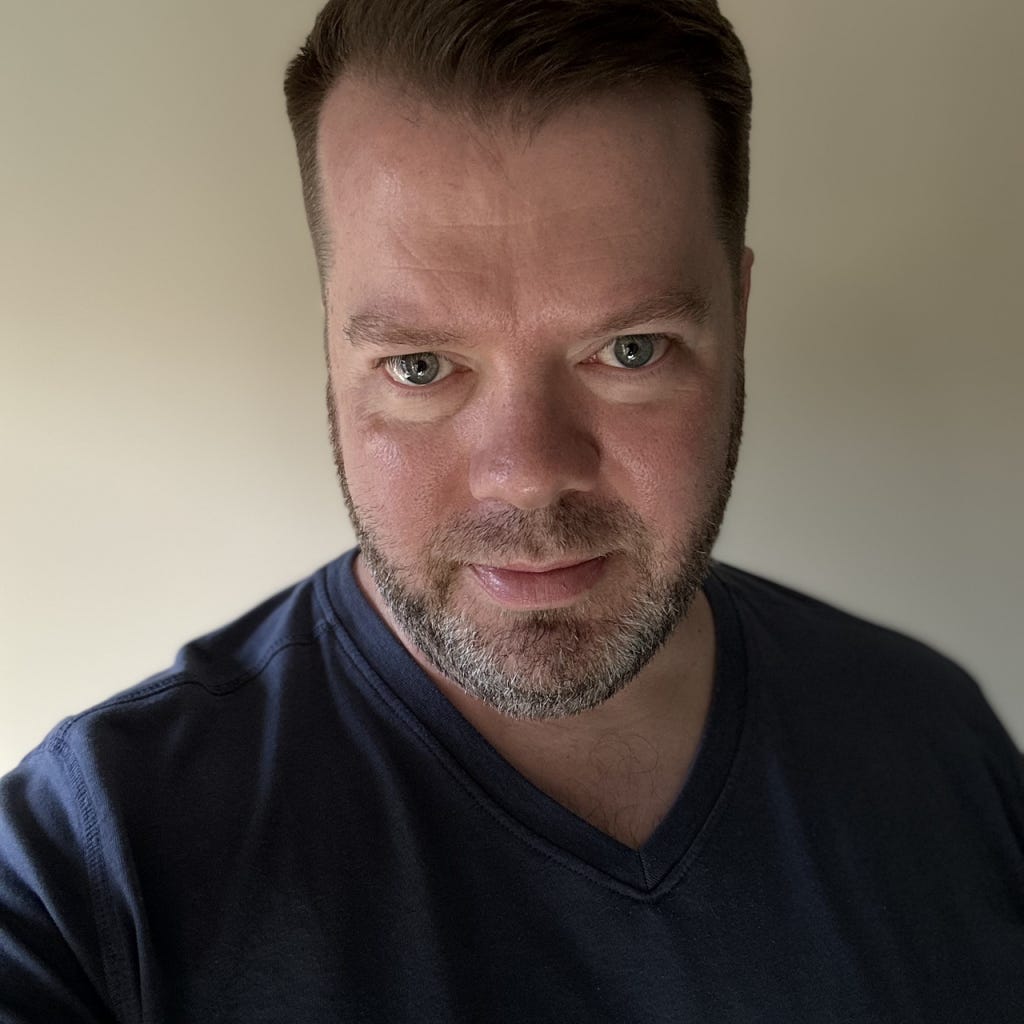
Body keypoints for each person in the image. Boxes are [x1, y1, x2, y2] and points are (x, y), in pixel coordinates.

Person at [1, 0, 1021, 1020]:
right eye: (419, 364)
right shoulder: (90, 868)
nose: (527, 474)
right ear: (331, 349)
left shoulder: (938, 739)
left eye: (629, 350)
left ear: (737, 315)